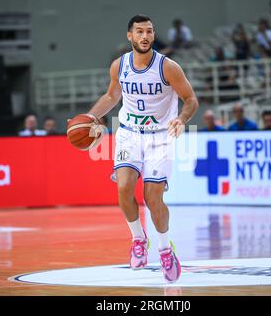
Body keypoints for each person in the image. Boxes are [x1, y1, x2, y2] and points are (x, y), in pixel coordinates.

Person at [69, 15, 198, 283]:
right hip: (128, 134)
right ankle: (139, 239)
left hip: (160, 137)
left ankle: (165, 249)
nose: (145, 36)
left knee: (152, 199)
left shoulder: (168, 67)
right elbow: (111, 96)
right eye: (139, 31)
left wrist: (181, 119)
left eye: (149, 31)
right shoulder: (120, 65)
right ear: (130, 36)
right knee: (124, 188)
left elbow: (191, 99)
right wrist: (92, 117)